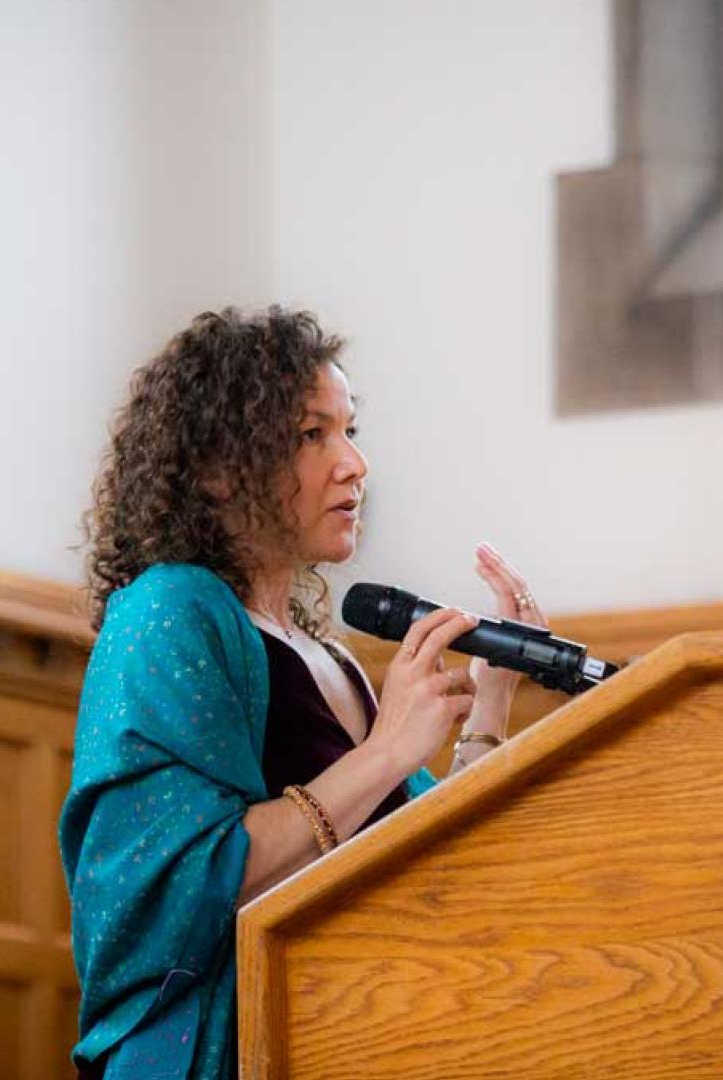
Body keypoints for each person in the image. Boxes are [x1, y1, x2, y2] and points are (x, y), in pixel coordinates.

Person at [59, 307, 545, 1079]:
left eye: (350, 431)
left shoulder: (329, 655)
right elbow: (171, 891)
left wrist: (491, 699)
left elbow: (422, 858)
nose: (354, 464)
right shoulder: (170, 611)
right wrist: (384, 753)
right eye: (312, 435)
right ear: (217, 468)